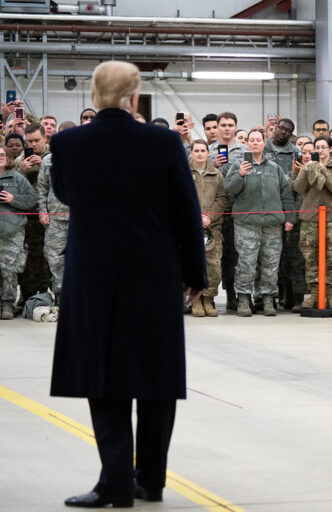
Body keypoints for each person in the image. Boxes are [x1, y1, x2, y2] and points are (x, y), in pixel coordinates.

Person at [50, 60, 206, 508]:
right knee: (156, 379)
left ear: (94, 94)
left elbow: (64, 194)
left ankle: (115, 482)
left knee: (104, 378)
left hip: (93, 276)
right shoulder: (163, 143)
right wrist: (196, 275)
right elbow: (185, 211)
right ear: (134, 96)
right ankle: (150, 480)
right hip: (154, 276)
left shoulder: (67, 143)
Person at [226, 129, 296, 317]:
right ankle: (243, 299)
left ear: (264, 143)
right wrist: (240, 174)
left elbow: (286, 195)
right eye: (252, 140)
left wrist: (290, 218)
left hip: (272, 224)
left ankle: (267, 298)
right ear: (247, 143)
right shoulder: (238, 165)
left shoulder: (274, 168)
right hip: (247, 223)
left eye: (259, 140)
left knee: (271, 263)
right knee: (246, 263)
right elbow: (230, 189)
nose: (255, 143)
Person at [294, 135, 332, 308]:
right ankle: (315, 293)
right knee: (310, 257)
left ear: (330, 149)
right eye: (317, 147)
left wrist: (323, 170)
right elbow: (299, 188)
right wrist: (305, 170)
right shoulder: (309, 166)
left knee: (331, 256)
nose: (320, 150)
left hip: (331, 218)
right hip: (310, 217)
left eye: (324, 147)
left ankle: (331, 294)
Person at [265, 118, 305, 311]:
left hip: (291, 208)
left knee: (294, 257)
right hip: (269, 209)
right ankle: (272, 297)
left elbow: (299, 186)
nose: (283, 132)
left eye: (288, 130)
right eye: (281, 128)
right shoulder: (263, 150)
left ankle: (296, 297)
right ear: (275, 129)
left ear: (291, 134)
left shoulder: (296, 153)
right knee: (271, 257)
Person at [209, 111, 247, 311]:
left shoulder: (244, 150)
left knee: (234, 255)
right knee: (214, 256)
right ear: (217, 127)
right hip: (215, 210)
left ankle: (233, 295)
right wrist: (212, 164)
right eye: (222, 125)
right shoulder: (209, 150)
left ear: (235, 127)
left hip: (237, 208)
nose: (226, 128)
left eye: (230, 125)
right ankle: (210, 296)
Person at [37, 121, 76, 305]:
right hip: (55, 218)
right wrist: (42, 212)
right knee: (53, 257)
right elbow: (42, 189)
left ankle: (77, 293)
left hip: (79, 218)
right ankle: (60, 294)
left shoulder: (85, 158)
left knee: (79, 256)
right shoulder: (48, 160)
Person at [188, 139, 228, 317]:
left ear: (208, 153)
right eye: (196, 150)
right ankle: (195, 300)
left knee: (213, 266)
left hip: (212, 228)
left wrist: (209, 217)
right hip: (190, 227)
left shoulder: (216, 174)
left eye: (202, 150)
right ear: (191, 153)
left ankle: (208, 299)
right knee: (192, 264)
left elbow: (222, 199)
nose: (199, 153)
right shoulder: (183, 172)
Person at [16, 122, 52, 306]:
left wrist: (45, 165)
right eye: (29, 141)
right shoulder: (21, 159)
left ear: (45, 138)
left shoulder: (54, 157)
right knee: (29, 258)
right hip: (28, 216)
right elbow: (10, 182)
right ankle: (28, 295)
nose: (33, 145)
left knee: (50, 257)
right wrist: (21, 170)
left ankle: (47, 294)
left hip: (50, 214)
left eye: (36, 140)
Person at [0, 144, 36, 319]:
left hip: (12, 232)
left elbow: (31, 200)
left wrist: (13, 199)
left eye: (2, 155)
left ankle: (7, 304)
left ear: (8, 158)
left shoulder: (17, 178)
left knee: (9, 270)